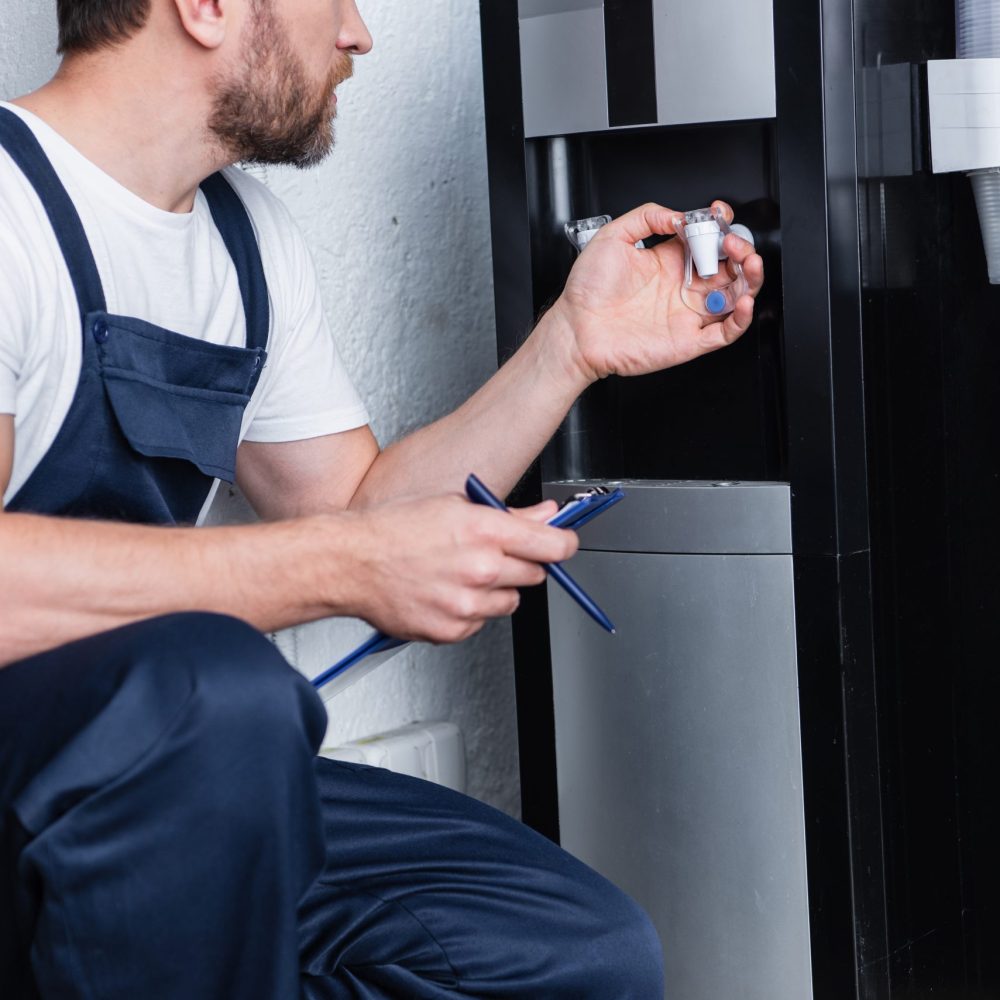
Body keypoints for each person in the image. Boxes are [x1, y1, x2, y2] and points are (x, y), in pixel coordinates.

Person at [0, 1, 764, 997]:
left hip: (178, 777)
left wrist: (570, 348)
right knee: (225, 692)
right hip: (79, 771)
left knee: (577, 953)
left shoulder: (243, 242)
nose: (359, 34)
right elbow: (344, 553)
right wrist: (344, 567)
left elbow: (357, 512)